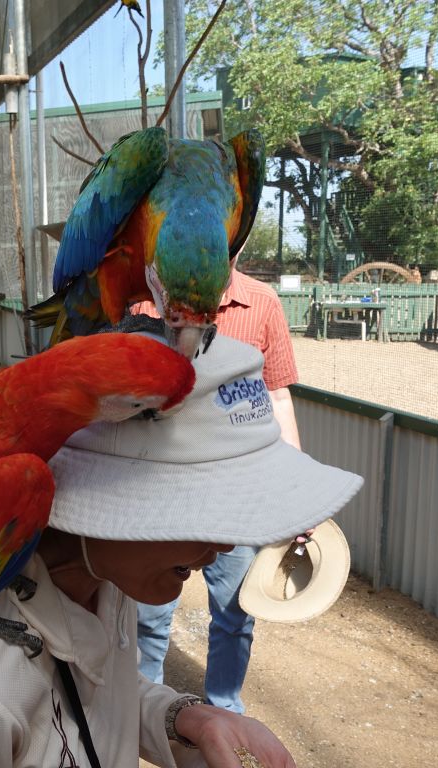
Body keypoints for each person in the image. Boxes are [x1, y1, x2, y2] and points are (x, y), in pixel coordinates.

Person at [0, 336, 362, 767]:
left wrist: (185, 719)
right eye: (204, 513)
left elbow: (91, 695)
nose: (227, 545)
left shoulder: (105, 579)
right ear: (118, 500)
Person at [132, 263, 302, 712]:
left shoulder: (261, 302)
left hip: (236, 490)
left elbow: (279, 395)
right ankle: (142, 704)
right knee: (148, 612)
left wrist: (295, 487)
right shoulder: (148, 298)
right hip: (164, 486)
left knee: (234, 612)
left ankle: (225, 708)